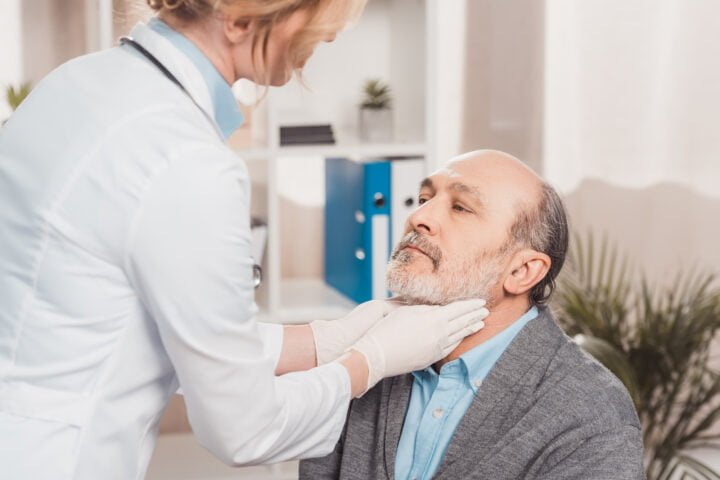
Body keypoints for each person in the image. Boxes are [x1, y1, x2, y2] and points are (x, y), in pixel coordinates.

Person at [0, 1, 489, 479]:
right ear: (238, 19)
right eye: (316, 12)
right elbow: (243, 428)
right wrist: (369, 362)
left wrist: (322, 341)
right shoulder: (182, 159)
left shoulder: (76, 82)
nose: (333, 34)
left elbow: (116, 319)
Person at [300, 150, 645, 480]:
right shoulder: (366, 358)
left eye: (461, 208)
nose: (418, 217)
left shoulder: (593, 418)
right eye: (424, 199)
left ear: (523, 271)